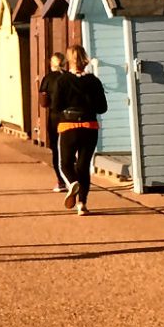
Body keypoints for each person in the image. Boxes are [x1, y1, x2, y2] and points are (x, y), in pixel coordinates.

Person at [47, 44, 109, 215]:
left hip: (68, 126)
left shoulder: (62, 80)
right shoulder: (94, 81)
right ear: (85, 59)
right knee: (83, 165)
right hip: (90, 127)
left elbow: (56, 106)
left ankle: (72, 182)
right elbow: (102, 107)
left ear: (69, 61)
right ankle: (82, 204)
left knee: (65, 163)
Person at [36, 51, 71, 192]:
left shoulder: (48, 78)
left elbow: (43, 102)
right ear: (64, 63)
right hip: (70, 117)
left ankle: (61, 181)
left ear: (52, 64)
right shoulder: (70, 77)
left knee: (57, 149)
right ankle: (73, 178)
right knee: (70, 149)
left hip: (55, 117)